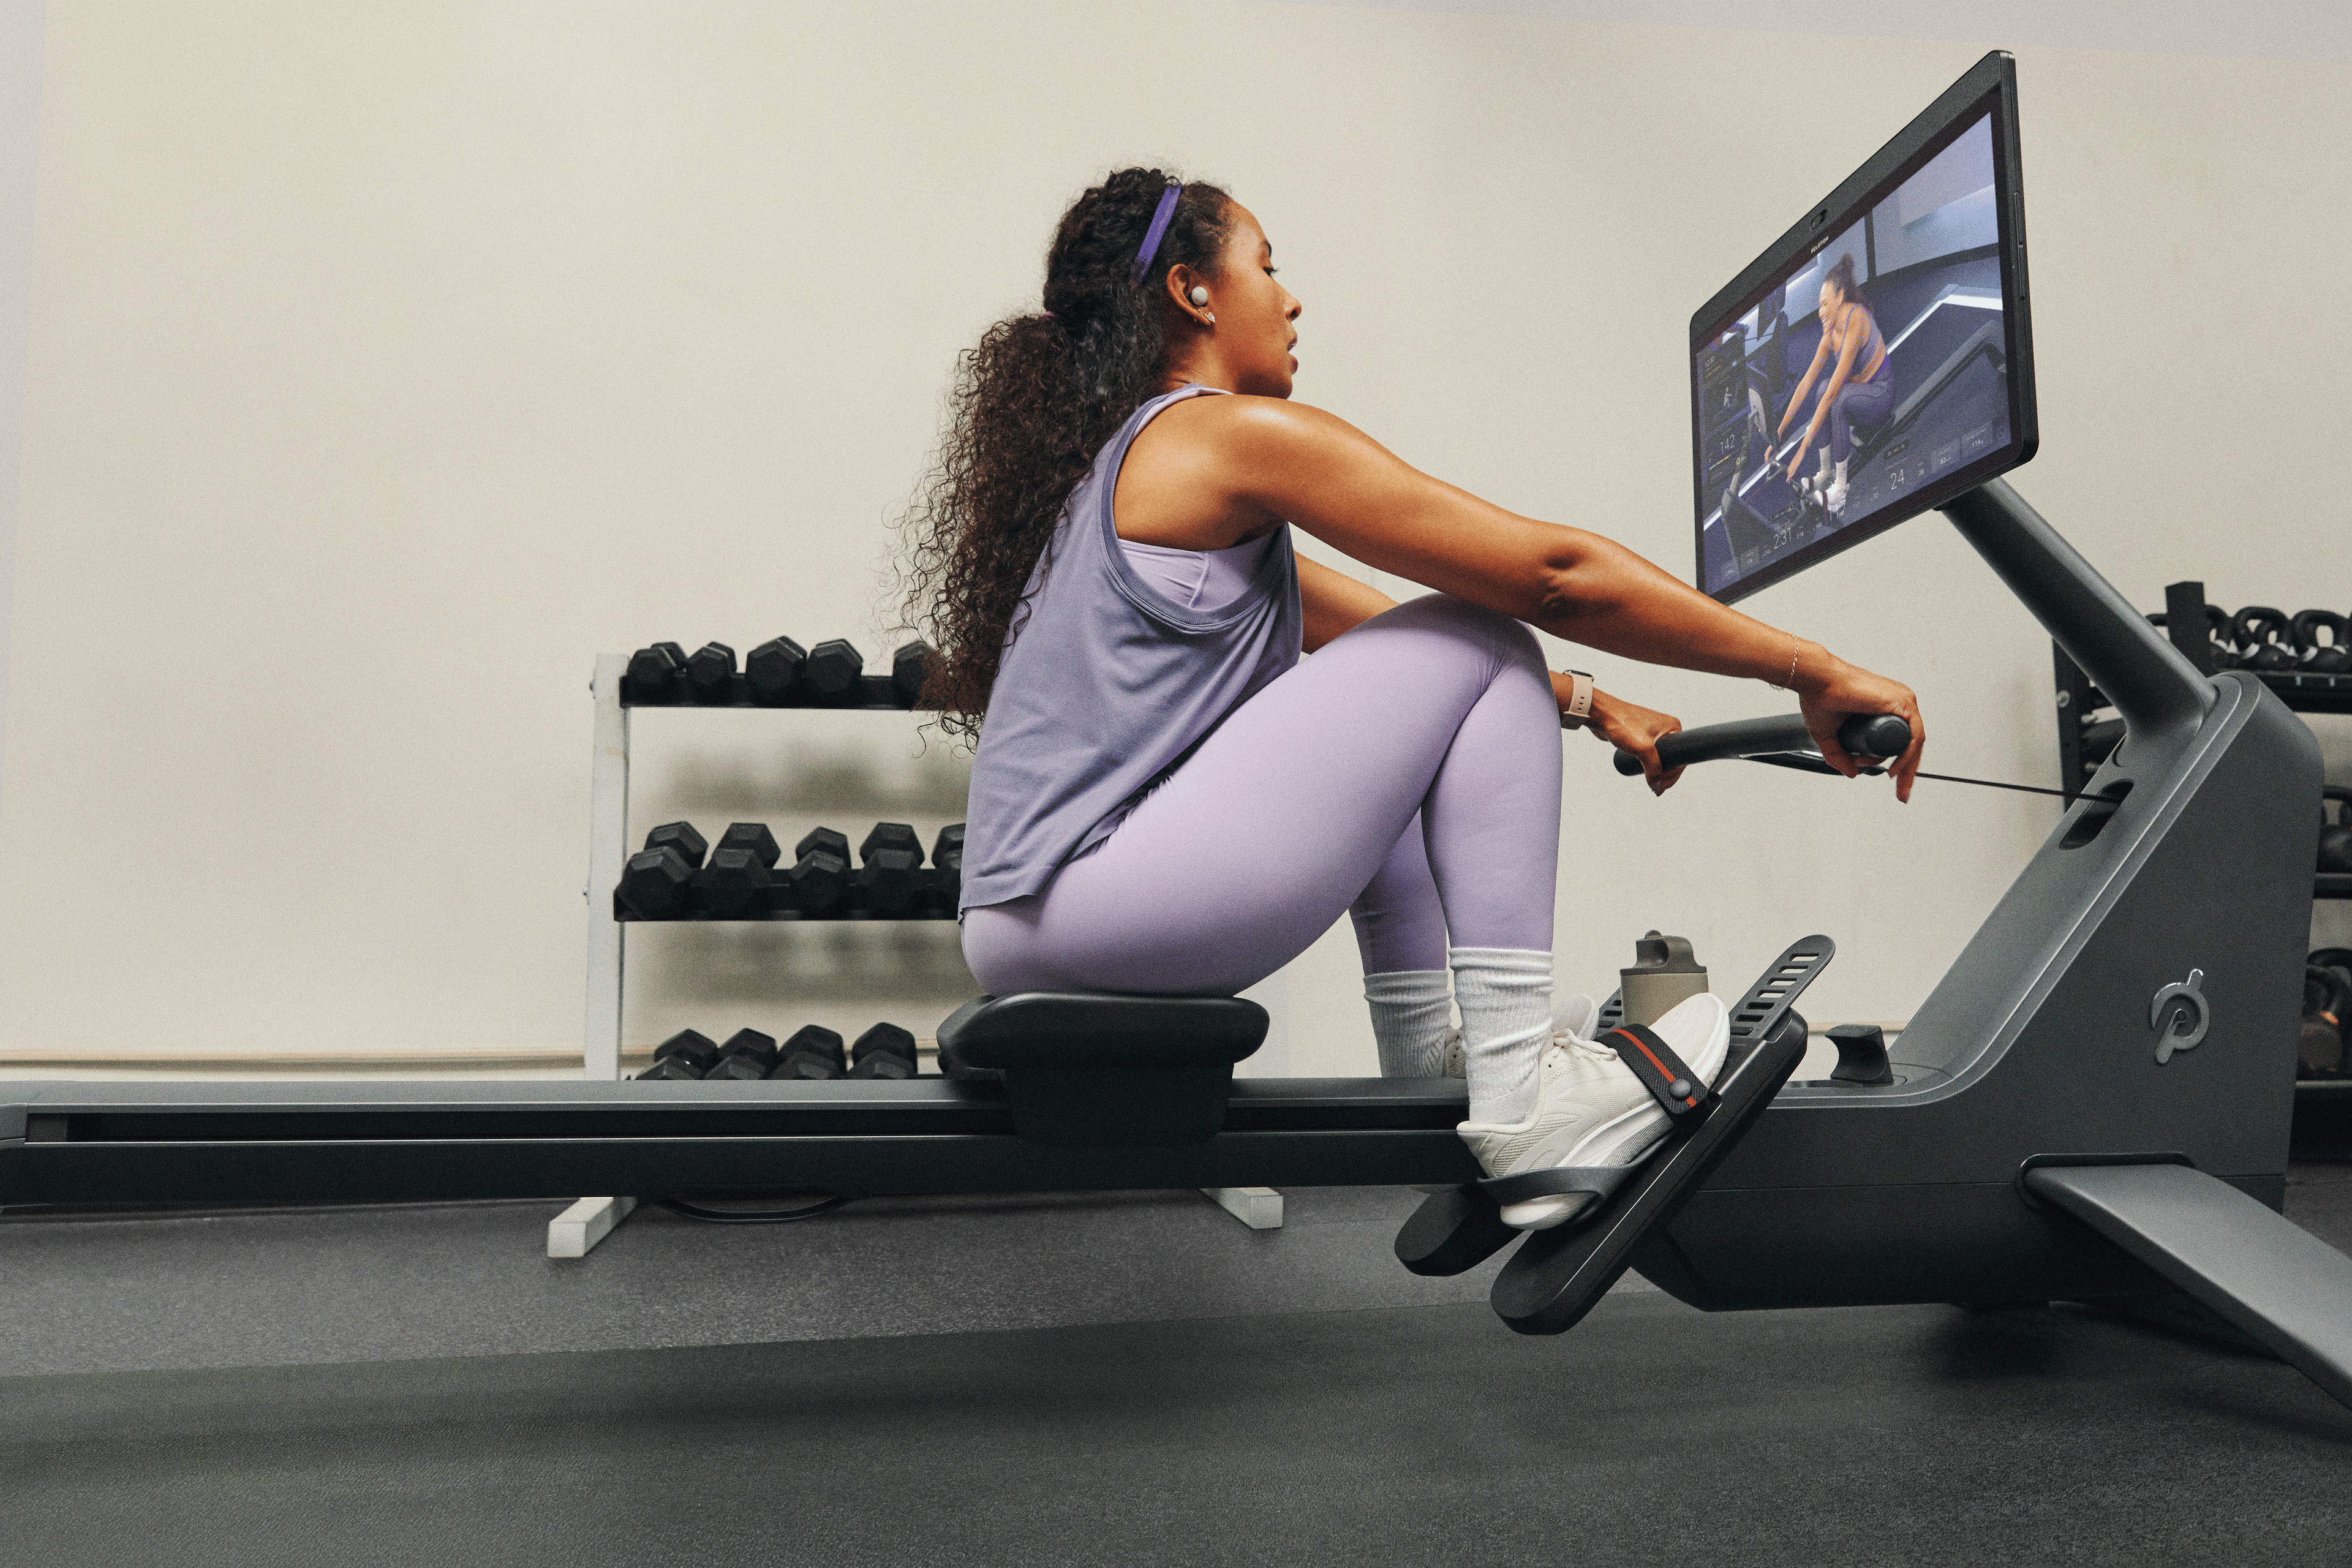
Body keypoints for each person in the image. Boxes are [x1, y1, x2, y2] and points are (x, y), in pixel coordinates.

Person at [899, 169, 1923, 1229]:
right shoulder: (1222, 439)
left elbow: (1376, 646)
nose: (1290, 300)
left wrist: (1583, 698)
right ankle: (1527, 1097)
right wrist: (1809, 668)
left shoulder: (1131, 468)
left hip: (1033, 917)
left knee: (1431, 687)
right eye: (1268, 266)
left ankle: (1431, 1055)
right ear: (1195, 293)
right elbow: (1550, 576)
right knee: (1480, 630)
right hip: (1094, 908)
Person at [1776, 252, 1894, 514]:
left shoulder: (1857, 319)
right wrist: (1780, 431)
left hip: (1881, 394)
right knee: (1820, 389)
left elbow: (1832, 397)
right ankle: (1826, 473)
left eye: (1825, 304)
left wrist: (1802, 449)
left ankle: (1840, 491)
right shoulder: (1830, 336)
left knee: (1837, 399)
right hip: (1862, 393)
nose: (1820, 312)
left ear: (1840, 298)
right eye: (1819, 305)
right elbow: (1806, 383)